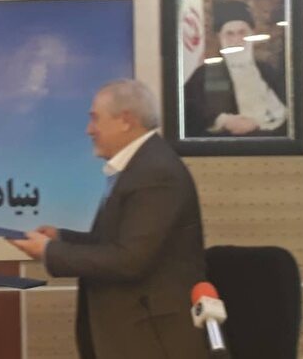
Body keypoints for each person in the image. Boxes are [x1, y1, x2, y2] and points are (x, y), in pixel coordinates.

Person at [11, 79, 210, 359]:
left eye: (95, 119)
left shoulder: (155, 172)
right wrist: (62, 238)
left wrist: (49, 251)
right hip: (133, 331)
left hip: (151, 337)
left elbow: (130, 260)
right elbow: (116, 241)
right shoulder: (142, 165)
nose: (89, 130)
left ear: (126, 120)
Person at [184, 0, 287, 137]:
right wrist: (223, 121)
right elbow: (188, 110)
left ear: (252, 34)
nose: (236, 40)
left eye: (242, 32)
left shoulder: (267, 71)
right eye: (230, 34)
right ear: (219, 37)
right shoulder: (204, 74)